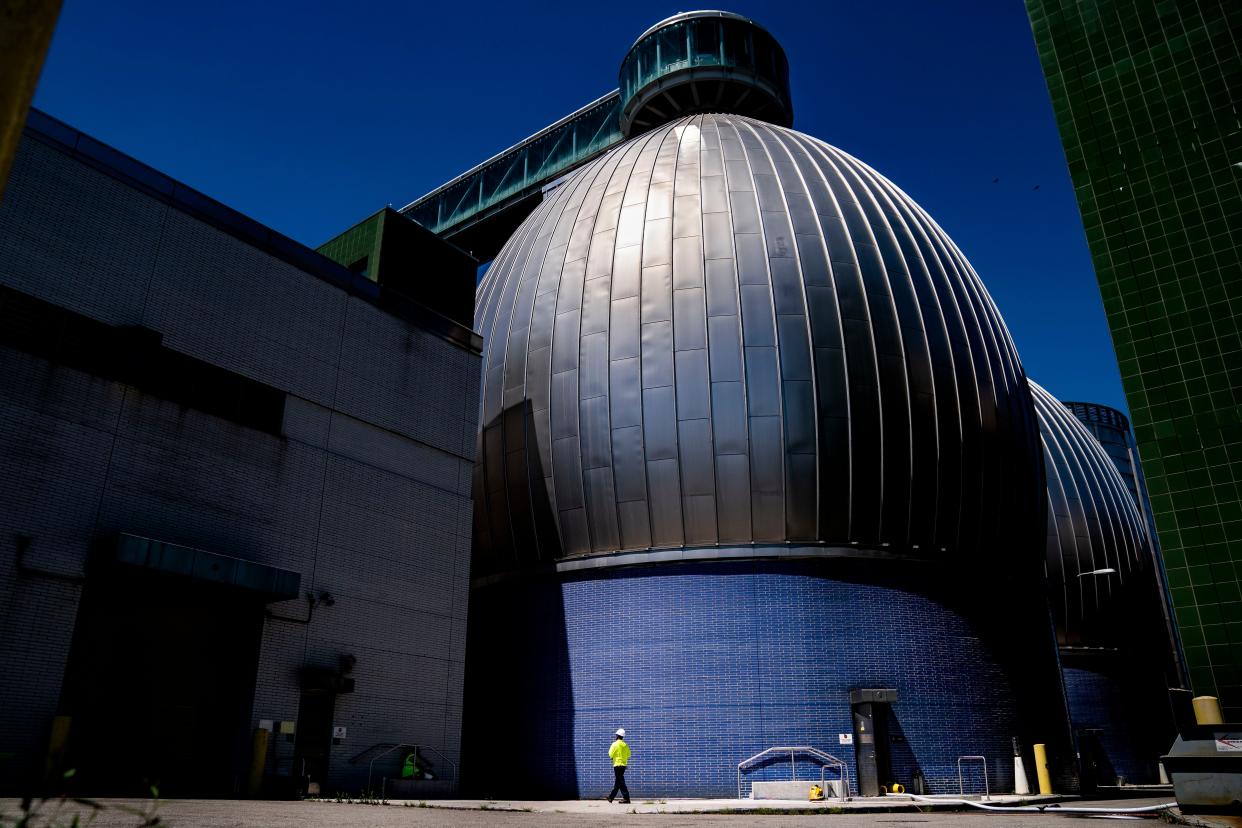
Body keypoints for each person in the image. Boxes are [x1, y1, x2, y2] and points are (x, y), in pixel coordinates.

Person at [607, 728, 631, 804]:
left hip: (617, 765)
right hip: (623, 765)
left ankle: (626, 798)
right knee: (618, 781)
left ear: (617, 735)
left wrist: (613, 757)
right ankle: (611, 797)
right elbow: (629, 755)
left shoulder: (614, 744)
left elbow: (610, 754)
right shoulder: (625, 745)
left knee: (620, 781)